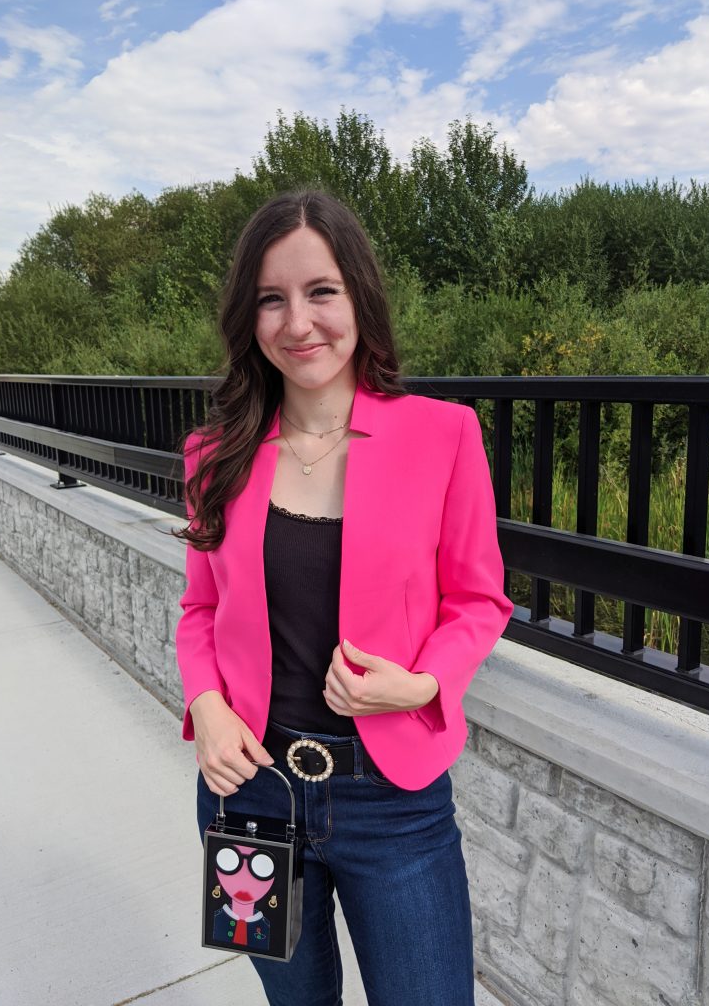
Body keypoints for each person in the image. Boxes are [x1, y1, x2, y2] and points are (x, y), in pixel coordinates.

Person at [173, 190, 513, 1006]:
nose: (299, 323)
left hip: (393, 800)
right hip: (247, 796)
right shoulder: (213, 452)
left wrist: (426, 682)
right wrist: (207, 706)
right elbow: (201, 611)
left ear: (358, 294)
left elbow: (480, 599)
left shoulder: (445, 434)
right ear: (247, 318)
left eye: (321, 291)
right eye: (271, 298)